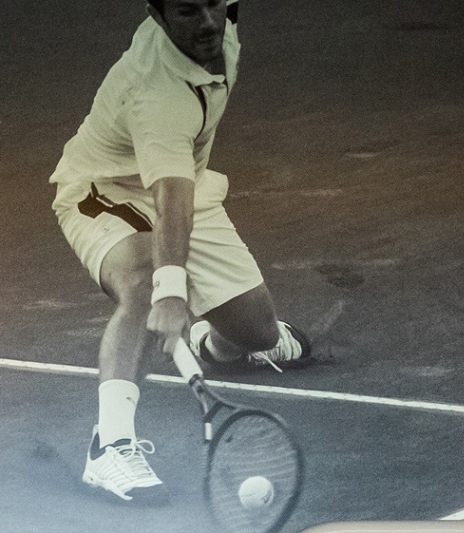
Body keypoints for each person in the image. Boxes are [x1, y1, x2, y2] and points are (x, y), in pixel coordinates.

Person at [54, 0, 311, 504]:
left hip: (187, 186)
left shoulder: (221, 21)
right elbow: (170, 198)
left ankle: (213, 345)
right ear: (158, 15)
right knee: (144, 284)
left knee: (258, 334)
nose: (209, 23)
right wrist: (171, 291)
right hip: (107, 190)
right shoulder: (158, 95)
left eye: (214, 4)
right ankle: (109, 446)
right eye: (189, 12)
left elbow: (180, 193)